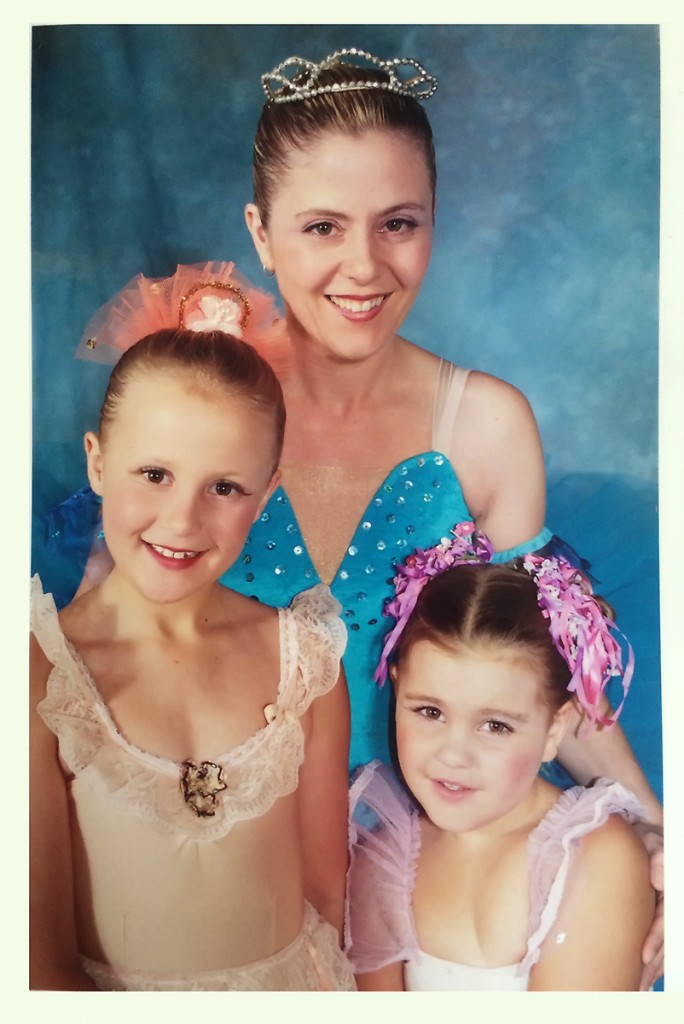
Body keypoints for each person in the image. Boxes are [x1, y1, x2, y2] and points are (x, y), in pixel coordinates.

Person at [46, 47, 663, 983]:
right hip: (227, 866)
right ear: (259, 231)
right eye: (322, 226)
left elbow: (537, 663)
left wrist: (657, 827)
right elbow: (98, 674)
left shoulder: (487, 425)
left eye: (399, 223)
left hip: (429, 857)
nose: (363, 266)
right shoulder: (207, 417)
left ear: (433, 224)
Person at [30, 264, 354, 990]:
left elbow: (326, 898)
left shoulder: (303, 661)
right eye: (154, 474)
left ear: (267, 494)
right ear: (98, 461)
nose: (181, 521)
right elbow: (35, 964)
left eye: (225, 487)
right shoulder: (37, 669)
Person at [346, 523, 655, 990]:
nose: (453, 755)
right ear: (397, 687)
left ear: (555, 729)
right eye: (430, 711)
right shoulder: (384, 859)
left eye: (495, 726)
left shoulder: (593, 859)